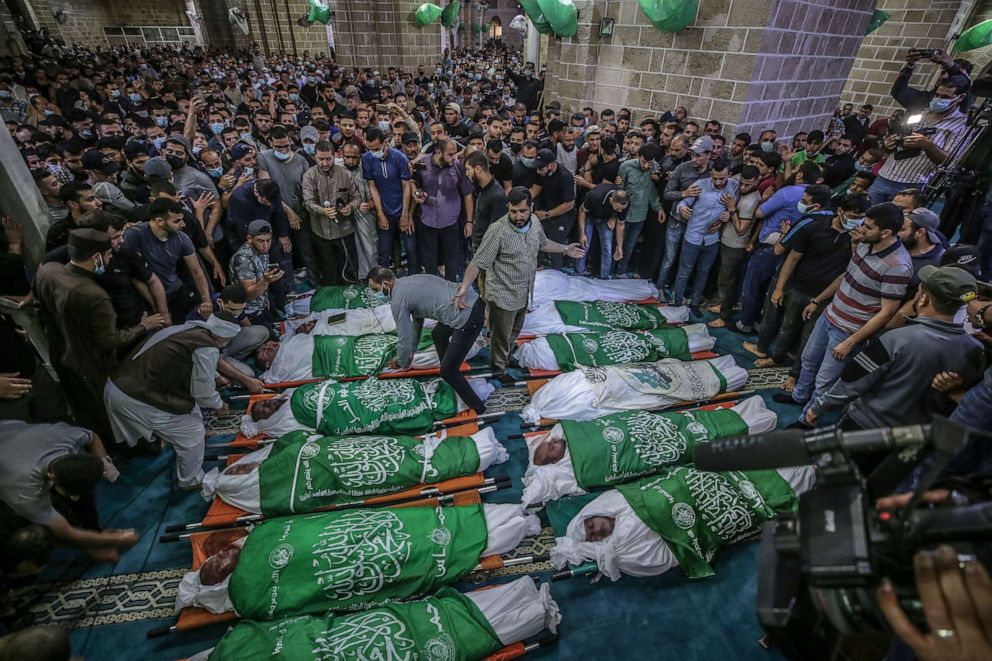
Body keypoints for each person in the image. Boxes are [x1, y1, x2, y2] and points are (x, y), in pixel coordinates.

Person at [784, 203, 912, 423]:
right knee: (808, 360)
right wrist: (819, 301)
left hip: (848, 330)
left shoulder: (897, 266)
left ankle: (807, 419)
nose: (861, 228)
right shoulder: (864, 243)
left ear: (886, 233)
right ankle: (799, 397)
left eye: (868, 227)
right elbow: (849, 275)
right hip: (831, 315)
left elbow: (887, 312)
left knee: (825, 379)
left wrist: (851, 342)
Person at [33, 228, 164, 442]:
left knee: (84, 409)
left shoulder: (49, 271)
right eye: (108, 255)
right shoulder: (93, 295)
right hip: (91, 364)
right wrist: (144, 326)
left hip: (61, 357)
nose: (111, 258)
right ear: (96, 257)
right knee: (109, 412)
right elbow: (110, 340)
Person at [454, 187, 584, 382]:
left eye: (522, 211)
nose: (518, 216)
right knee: (501, 335)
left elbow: (543, 242)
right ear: (508, 208)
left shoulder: (535, 223)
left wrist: (565, 249)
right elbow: (478, 262)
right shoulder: (497, 231)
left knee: (514, 331)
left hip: (524, 291)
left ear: (531, 207)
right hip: (503, 295)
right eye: (513, 211)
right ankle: (498, 369)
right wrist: (463, 288)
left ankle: (506, 357)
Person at [105, 313, 239, 489]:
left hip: (122, 383)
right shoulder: (208, 347)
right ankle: (191, 480)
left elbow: (191, 362)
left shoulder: (186, 328)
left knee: (192, 412)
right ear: (227, 336)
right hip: (134, 396)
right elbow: (203, 393)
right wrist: (219, 404)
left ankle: (180, 442)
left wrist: (216, 376)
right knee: (192, 432)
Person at [0, 419, 136, 562]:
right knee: (33, 530)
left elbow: (92, 437)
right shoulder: (24, 486)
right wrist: (113, 540)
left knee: (79, 494)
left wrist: (105, 465)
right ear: (51, 477)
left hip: (14, 434)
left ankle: (92, 533)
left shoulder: (67, 438)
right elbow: (64, 532)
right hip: (10, 473)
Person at [368, 267, 487, 414]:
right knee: (438, 334)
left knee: (448, 371)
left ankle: (479, 408)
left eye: (375, 290)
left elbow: (403, 336)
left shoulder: (398, 300)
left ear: (385, 285)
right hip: (472, 301)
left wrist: (400, 361)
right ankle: (452, 378)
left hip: (467, 316)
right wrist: (412, 351)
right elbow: (417, 321)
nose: (375, 294)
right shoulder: (409, 280)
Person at [868, 77, 970, 203]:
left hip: (912, 184)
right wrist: (888, 145)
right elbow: (898, 136)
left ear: (960, 97)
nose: (938, 99)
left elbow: (951, 162)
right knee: (866, 217)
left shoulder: (961, 126)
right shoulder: (921, 113)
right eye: (937, 95)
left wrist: (928, 145)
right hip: (884, 175)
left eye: (945, 97)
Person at [124, 198, 214, 322]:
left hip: (175, 290)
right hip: (147, 297)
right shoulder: (134, 236)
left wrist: (206, 300)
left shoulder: (182, 238)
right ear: (160, 221)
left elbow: (196, 271)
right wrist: (160, 310)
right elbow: (135, 276)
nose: (183, 225)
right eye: (177, 221)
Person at [672, 159, 737, 315]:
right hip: (693, 236)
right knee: (684, 271)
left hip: (712, 239)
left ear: (729, 174)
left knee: (703, 273)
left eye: (722, 178)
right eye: (715, 178)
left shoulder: (734, 186)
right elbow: (684, 201)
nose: (718, 181)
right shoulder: (700, 184)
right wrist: (682, 208)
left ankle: (695, 303)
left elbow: (734, 208)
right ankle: (677, 302)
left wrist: (727, 214)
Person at [412, 137, 473, 281]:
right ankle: (433, 292)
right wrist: (416, 193)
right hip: (427, 221)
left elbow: (468, 195)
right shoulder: (422, 163)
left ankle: (451, 291)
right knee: (429, 260)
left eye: (455, 153)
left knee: (452, 260)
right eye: (450, 154)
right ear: (438, 153)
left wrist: (469, 221)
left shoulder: (458, 167)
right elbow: (413, 182)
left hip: (450, 223)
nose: (454, 157)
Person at [301, 140, 360, 285]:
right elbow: (307, 202)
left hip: (344, 231)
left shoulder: (345, 174)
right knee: (329, 270)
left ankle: (352, 299)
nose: (325, 163)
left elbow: (357, 197)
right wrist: (323, 211)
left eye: (328, 159)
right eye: (321, 159)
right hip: (321, 232)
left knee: (349, 268)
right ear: (314, 157)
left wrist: (350, 207)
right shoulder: (309, 176)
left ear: (335, 156)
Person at [710, 165, 760, 329]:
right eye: (742, 183)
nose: (743, 187)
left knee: (728, 282)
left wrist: (731, 210)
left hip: (735, 245)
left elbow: (740, 229)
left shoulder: (751, 201)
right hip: (726, 240)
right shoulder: (741, 192)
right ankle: (723, 305)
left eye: (748, 184)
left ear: (756, 181)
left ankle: (724, 316)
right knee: (723, 279)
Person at [659, 137, 712, 290]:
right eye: (692, 154)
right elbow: (667, 193)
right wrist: (684, 194)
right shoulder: (682, 169)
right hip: (676, 220)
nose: (694, 158)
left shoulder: (714, 173)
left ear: (708, 155)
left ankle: (678, 291)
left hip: (698, 225)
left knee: (687, 261)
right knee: (669, 257)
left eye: (698, 155)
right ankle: (660, 287)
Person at [362, 127, 416, 274]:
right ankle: (382, 284)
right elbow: (372, 187)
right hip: (384, 211)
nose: (374, 152)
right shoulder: (367, 159)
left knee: (411, 249)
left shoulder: (399, 157)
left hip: (402, 208)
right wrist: (380, 214)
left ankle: (413, 280)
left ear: (385, 143)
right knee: (384, 251)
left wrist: (405, 214)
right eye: (370, 148)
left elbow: (407, 187)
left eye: (376, 148)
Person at [229, 220, 285, 329]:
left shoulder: (262, 251)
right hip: (250, 311)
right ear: (250, 239)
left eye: (268, 240)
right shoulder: (244, 259)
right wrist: (266, 281)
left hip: (262, 304)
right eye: (260, 241)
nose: (265, 245)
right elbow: (249, 294)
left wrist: (265, 297)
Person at [532, 148, 577, 271]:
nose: (538, 171)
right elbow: (536, 189)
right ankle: (538, 269)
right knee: (538, 239)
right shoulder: (541, 172)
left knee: (556, 244)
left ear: (551, 165)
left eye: (541, 169)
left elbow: (569, 204)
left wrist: (547, 214)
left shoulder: (565, 176)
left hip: (563, 215)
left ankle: (557, 274)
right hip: (546, 210)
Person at [576, 184, 629, 279]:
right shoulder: (595, 196)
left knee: (607, 249)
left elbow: (621, 225)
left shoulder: (624, 203)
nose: (620, 211)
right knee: (584, 244)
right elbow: (582, 212)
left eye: (622, 210)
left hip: (605, 219)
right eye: (618, 209)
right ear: (611, 201)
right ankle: (579, 271)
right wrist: (582, 233)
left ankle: (604, 276)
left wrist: (619, 246)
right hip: (589, 216)